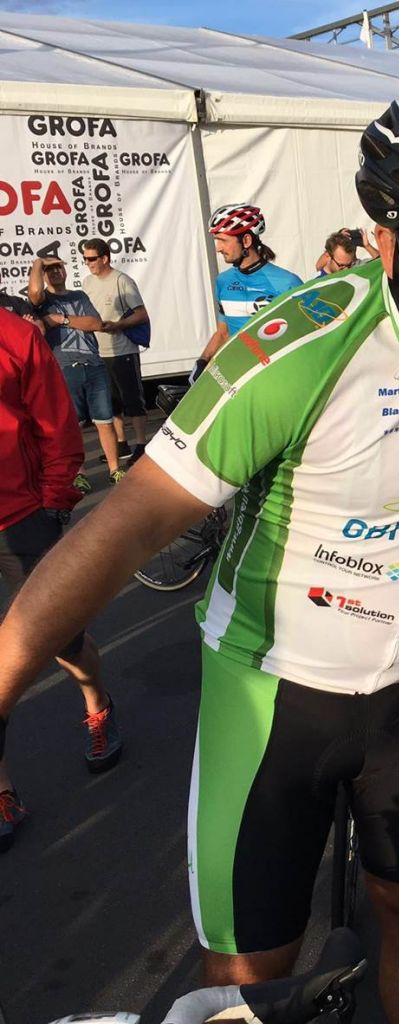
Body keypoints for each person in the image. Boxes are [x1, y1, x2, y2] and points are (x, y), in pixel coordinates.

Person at [0, 85, 399, 1023]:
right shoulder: (304, 348)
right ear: (387, 246)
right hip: (273, 696)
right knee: (251, 976)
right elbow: (126, 522)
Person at [0, 307, 122, 852]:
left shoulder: (15, 336)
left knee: (60, 639)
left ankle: (97, 701)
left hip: (21, 514)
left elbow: (54, 421)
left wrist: (55, 498)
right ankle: (3, 791)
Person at [27, 257, 125, 486]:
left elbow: (96, 324)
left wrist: (60, 319)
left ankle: (115, 470)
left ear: (65, 271)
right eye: (49, 270)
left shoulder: (79, 296)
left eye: (58, 268)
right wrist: (39, 263)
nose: (55, 272)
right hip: (64, 368)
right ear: (43, 275)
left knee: (105, 421)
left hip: (94, 364)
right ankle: (79, 475)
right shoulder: (42, 301)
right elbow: (34, 292)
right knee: (73, 426)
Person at [197, 204, 303, 366]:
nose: (218, 248)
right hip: (237, 370)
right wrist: (202, 361)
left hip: (274, 369)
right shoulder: (223, 281)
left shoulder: (287, 283)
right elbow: (223, 332)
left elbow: (303, 334)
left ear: (246, 240)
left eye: (223, 240)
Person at [82, 238, 150, 464]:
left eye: (92, 258)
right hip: (98, 351)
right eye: (85, 259)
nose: (88, 263)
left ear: (105, 258)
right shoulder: (87, 282)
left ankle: (141, 445)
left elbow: (141, 314)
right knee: (111, 402)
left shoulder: (122, 280)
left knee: (132, 399)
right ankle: (121, 443)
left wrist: (118, 325)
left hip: (123, 350)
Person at [314, 228, 380, 276]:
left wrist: (367, 246)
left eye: (349, 265)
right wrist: (338, 238)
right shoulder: (319, 281)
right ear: (328, 256)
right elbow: (318, 266)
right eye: (341, 265)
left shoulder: (357, 267)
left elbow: (382, 265)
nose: (346, 269)